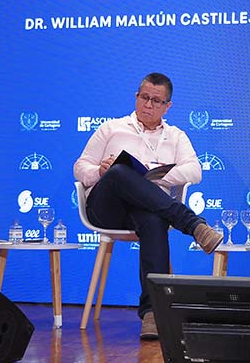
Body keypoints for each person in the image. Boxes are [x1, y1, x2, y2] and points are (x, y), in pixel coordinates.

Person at [73, 72, 223, 340]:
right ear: (136, 97)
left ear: (168, 106)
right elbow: (80, 167)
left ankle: (153, 313)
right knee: (119, 172)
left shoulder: (176, 136)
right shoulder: (111, 128)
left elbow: (194, 170)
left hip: (148, 212)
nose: (149, 105)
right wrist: (100, 170)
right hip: (107, 209)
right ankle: (193, 224)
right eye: (144, 97)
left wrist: (153, 173)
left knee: (154, 221)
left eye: (156, 100)